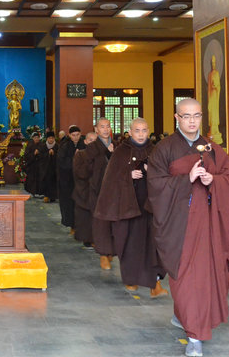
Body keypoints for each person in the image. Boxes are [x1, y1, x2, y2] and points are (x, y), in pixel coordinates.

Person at [147, 98, 229, 357]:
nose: (192, 121)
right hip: (181, 226)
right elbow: (155, 185)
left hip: (210, 225)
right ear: (176, 118)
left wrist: (214, 180)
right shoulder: (164, 148)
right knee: (187, 279)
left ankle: (189, 321)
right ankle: (194, 336)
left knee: (208, 277)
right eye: (186, 116)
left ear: (201, 118)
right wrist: (185, 180)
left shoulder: (213, 148)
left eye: (196, 116)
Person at [94, 118, 167, 297]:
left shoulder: (156, 151)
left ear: (148, 131)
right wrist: (128, 176)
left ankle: (154, 284)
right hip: (127, 208)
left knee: (153, 245)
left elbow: (166, 177)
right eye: (137, 130)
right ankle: (131, 279)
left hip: (150, 208)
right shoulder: (121, 152)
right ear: (130, 132)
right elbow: (110, 181)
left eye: (144, 130)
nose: (141, 134)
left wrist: (153, 173)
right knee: (129, 245)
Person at [86, 118, 115, 268]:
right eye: (102, 127)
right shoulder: (92, 148)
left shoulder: (115, 146)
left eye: (107, 126)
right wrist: (107, 153)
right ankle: (103, 254)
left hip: (114, 192)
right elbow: (89, 170)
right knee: (100, 223)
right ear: (96, 129)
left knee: (114, 222)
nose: (105, 129)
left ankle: (111, 251)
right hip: (97, 190)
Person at [57, 125, 84, 231]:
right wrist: (75, 158)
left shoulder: (84, 144)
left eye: (78, 135)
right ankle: (72, 224)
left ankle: (81, 226)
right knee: (70, 203)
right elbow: (61, 162)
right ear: (69, 135)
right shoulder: (64, 146)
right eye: (73, 135)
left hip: (81, 180)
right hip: (68, 180)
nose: (76, 137)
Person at [206, 55, 223, 144]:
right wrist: (212, 87)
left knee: (215, 113)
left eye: (214, 63)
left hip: (215, 96)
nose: (213, 65)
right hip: (211, 96)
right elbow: (209, 86)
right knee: (211, 113)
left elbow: (218, 85)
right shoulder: (210, 74)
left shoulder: (216, 73)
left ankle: (215, 129)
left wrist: (216, 87)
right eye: (212, 63)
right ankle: (212, 130)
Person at [39, 132, 59, 203]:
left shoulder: (57, 146)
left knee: (53, 182)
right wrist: (48, 153)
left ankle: (53, 196)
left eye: (52, 138)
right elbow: (40, 157)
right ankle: (46, 196)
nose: (51, 139)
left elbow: (60, 156)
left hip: (54, 168)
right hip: (45, 168)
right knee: (46, 182)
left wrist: (54, 154)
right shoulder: (43, 146)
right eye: (49, 138)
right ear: (47, 139)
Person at [23, 132, 44, 198]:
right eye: (35, 138)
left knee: (39, 179)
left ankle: (39, 192)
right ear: (33, 138)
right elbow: (26, 156)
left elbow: (44, 154)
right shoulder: (30, 145)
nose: (36, 139)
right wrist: (34, 154)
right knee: (31, 179)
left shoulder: (42, 145)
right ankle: (31, 192)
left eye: (38, 137)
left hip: (39, 166)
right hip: (31, 165)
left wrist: (39, 154)